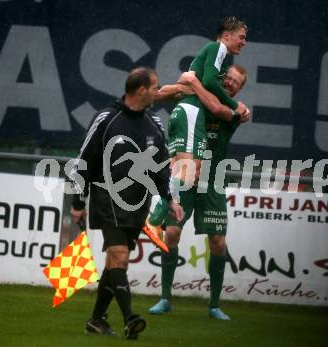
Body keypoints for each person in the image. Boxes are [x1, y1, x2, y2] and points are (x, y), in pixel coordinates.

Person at [69, 67, 184, 339]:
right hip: (106, 197)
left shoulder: (154, 123)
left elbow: (160, 169)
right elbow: (83, 160)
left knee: (116, 263)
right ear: (141, 90)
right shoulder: (107, 118)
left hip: (138, 202)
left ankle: (96, 320)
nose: (159, 92)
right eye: (155, 87)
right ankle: (130, 318)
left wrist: (170, 200)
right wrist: (77, 201)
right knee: (119, 256)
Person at [148, 65, 250, 320]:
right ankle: (165, 298)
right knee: (171, 234)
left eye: (236, 82)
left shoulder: (234, 109)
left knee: (217, 241)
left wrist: (192, 83)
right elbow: (164, 92)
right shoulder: (195, 98)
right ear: (220, 78)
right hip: (185, 177)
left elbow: (219, 108)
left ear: (240, 88)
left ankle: (214, 304)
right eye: (227, 78)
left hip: (212, 180)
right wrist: (185, 84)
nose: (230, 83)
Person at [144, 16, 249, 233]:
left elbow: (189, 84)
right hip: (190, 115)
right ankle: (153, 221)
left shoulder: (210, 63)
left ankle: (157, 219)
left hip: (183, 114)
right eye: (241, 37)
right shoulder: (218, 49)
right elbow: (210, 82)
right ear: (226, 35)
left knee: (182, 170)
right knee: (190, 171)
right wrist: (233, 103)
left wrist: (188, 84)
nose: (244, 42)